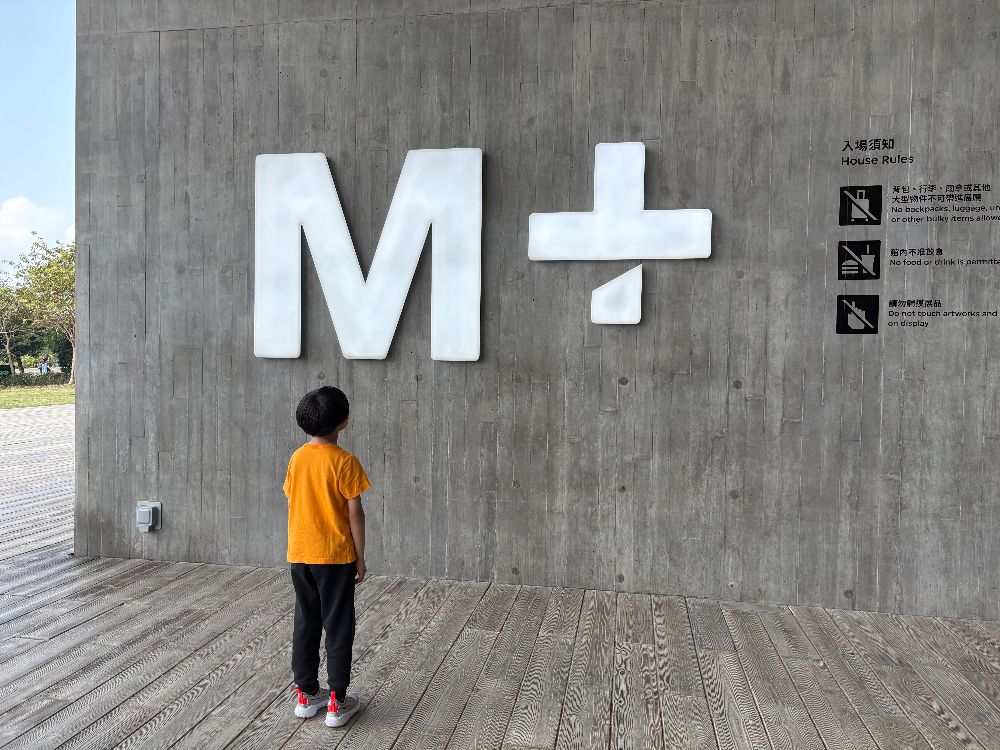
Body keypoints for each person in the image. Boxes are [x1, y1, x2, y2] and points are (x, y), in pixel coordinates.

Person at [283, 385, 370, 727]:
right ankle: (337, 699)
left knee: (306, 620)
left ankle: (306, 694)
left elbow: (294, 499)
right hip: (335, 556)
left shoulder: (297, 458)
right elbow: (355, 512)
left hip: (300, 554)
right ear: (344, 422)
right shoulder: (345, 461)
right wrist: (360, 557)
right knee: (338, 625)